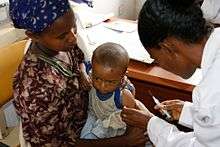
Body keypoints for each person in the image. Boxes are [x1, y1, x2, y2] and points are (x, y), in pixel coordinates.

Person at [10, 0, 146, 146]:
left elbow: (80, 60)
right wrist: (123, 142)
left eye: (73, 26)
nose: (73, 38)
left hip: (92, 115)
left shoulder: (63, 46)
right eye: (62, 36)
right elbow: (56, 144)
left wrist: (82, 72)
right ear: (34, 36)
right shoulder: (35, 87)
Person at [121, 0, 220, 146]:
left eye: (155, 58)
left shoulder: (211, 91)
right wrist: (189, 113)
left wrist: (151, 124)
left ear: (167, 48)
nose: (159, 65)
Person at [80, 43, 153, 147]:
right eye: (97, 79)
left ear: (123, 77)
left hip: (113, 125)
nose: (102, 86)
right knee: (86, 138)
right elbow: (83, 64)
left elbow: (131, 118)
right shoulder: (93, 71)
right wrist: (83, 73)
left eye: (110, 82)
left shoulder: (123, 95)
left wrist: (127, 139)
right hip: (94, 116)